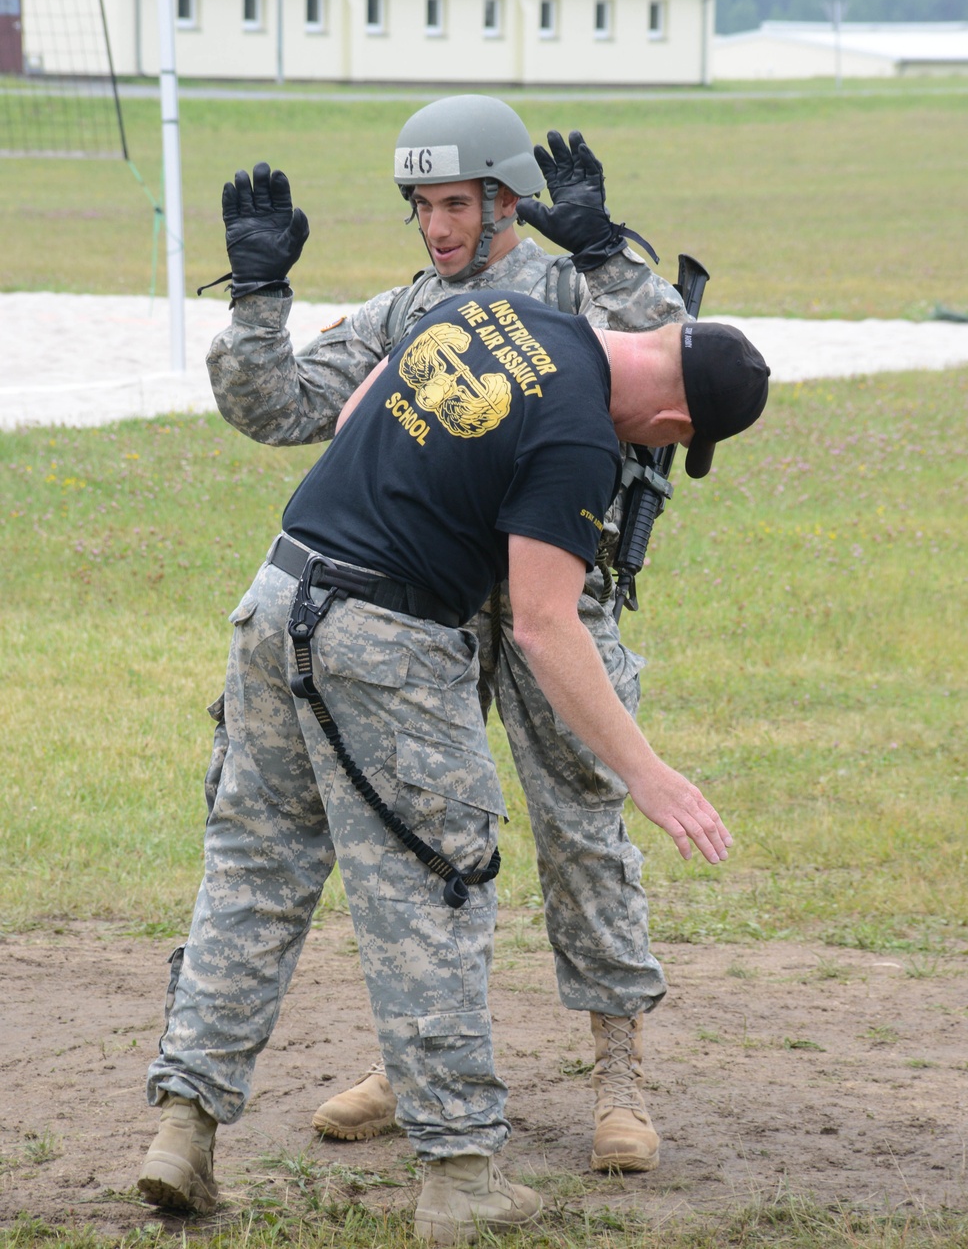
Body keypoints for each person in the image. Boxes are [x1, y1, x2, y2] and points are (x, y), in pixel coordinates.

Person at [138, 210, 770, 1241]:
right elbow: (541, 623)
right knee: (435, 892)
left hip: (276, 597)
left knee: (252, 877)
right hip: (386, 639)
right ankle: (461, 1170)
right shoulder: (580, 438)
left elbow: (352, 427)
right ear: (674, 423)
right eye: (671, 442)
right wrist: (650, 777)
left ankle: (182, 1130)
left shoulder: (484, 315)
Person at [203, 96, 706, 1173]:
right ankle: (420, 1060)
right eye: (422, 206)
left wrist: (609, 249)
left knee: (582, 825)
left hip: (553, 600)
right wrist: (258, 298)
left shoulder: (573, 282)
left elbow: (687, 358)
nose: (437, 226)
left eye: (456, 203)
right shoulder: (405, 310)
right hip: (412, 610)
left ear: (504, 200)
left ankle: (618, 1072)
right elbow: (275, 407)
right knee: (417, 840)